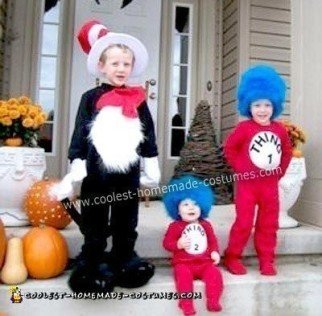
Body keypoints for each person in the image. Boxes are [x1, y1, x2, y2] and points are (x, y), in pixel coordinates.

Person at [51, 20, 160, 293]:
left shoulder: (138, 99)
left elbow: (147, 131)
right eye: (115, 64)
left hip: (129, 170)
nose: (121, 69)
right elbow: (80, 131)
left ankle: (124, 257)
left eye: (126, 64)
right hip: (96, 171)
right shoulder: (90, 98)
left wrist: (151, 161)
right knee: (95, 215)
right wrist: (76, 162)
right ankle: (92, 261)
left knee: (126, 215)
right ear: (102, 66)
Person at [223, 65, 292, 276]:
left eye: (267, 105)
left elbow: (287, 153)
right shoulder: (244, 129)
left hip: (269, 186)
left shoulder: (279, 130)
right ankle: (232, 256)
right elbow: (229, 149)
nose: (262, 110)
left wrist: (278, 172)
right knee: (244, 222)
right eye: (257, 105)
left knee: (269, 224)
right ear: (248, 106)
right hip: (247, 186)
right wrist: (240, 170)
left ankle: (267, 259)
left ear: (275, 105)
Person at [163, 175, 223, 315]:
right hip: (183, 263)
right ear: (177, 210)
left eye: (196, 204)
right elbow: (167, 243)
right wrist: (178, 244)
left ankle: (213, 300)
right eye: (186, 204)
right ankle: (186, 304)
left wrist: (214, 252)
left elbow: (212, 241)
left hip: (205, 263)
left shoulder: (206, 225)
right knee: (183, 278)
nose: (191, 208)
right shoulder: (175, 226)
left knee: (215, 275)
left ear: (202, 206)